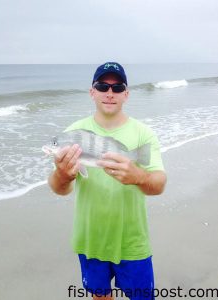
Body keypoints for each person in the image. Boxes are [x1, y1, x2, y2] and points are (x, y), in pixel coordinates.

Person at [48, 62, 167, 300]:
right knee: (100, 297)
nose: (109, 93)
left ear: (126, 93)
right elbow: (59, 188)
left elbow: (159, 183)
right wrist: (63, 174)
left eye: (117, 87)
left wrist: (139, 176)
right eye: (102, 86)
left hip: (133, 242)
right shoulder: (73, 132)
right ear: (92, 92)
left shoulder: (143, 133)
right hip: (91, 240)